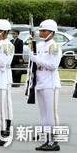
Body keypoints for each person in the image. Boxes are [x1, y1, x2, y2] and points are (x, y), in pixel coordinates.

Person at [29, 19, 62, 151]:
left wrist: (36, 59)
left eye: (44, 31)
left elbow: (53, 65)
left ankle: (54, 141)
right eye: (41, 30)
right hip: (41, 81)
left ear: (51, 32)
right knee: (43, 114)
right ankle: (47, 140)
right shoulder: (41, 46)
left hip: (51, 83)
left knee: (51, 113)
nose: (41, 32)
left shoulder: (54, 46)